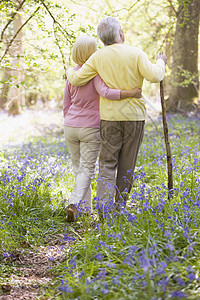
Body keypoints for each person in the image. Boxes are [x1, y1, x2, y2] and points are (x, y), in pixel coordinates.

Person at [66, 17, 167, 216]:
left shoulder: (98, 57)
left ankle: (104, 208)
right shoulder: (136, 53)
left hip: (109, 118)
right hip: (134, 117)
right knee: (127, 163)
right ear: (120, 33)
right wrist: (161, 62)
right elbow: (155, 76)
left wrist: (69, 71)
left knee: (107, 162)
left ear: (102, 38)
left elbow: (77, 79)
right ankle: (119, 206)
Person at [64, 35, 142, 222]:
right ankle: (74, 203)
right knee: (87, 169)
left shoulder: (72, 76)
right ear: (93, 53)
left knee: (79, 169)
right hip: (90, 127)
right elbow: (106, 92)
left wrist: (70, 121)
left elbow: (66, 104)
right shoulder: (95, 74)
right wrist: (129, 93)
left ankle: (84, 208)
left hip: (70, 126)